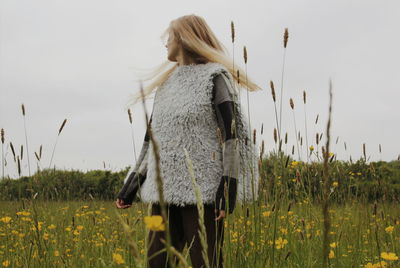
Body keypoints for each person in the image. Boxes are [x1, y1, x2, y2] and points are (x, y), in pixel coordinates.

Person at [116, 14, 261, 268]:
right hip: (160, 198)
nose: (165, 43)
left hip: (202, 196)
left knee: (206, 263)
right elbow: (151, 143)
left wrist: (227, 189)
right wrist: (131, 185)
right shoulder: (165, 86)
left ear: (183, 38)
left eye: (169, 36)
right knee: (155, 263)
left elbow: (232, 136)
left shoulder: (215, 78)